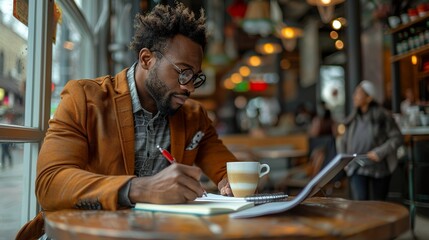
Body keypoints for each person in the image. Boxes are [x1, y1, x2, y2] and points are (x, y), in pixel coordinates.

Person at [17, 3, 237, 239]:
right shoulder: (83, 99)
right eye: (182, 72)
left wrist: (231, 183)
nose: (189, 87)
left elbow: (227, 171)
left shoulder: (194, 117)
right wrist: (140, 188)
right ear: (146, 59)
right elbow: (50, 184)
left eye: (195, 77)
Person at [338, 80, 403, 201]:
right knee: (360, 204)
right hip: (356, 166)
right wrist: (344, 160)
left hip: (379, 168)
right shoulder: (353, 117)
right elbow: (343, 140)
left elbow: (397, 137)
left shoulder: (382, 115)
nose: (354, 96)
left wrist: (380, 152)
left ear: (368, 98)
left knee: (378, 206)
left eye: (358, 93)